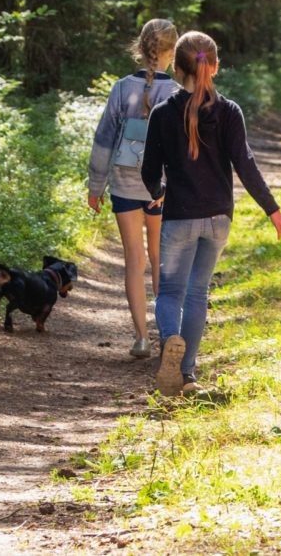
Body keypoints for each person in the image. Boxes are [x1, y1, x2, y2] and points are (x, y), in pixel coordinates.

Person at [141, 30, 281, 396]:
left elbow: (150, 169)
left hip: (179, 214)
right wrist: (273, 212)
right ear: (215, 65)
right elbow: (245, 165)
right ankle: (187, 374)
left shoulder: (163, 114)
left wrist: (158, 192)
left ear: (178, 69)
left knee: (170, 293)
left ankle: (170, 342)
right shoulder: (229, 111)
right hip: (218, 218)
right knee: (198, 293)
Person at [88, 19, 179, 359]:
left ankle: (141, 338)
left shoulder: (122, 87)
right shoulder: (177, 92)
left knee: (133, 259)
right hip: (162, 188)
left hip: (125, 183)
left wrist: (95, 187)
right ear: (172, 51)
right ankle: (168, 336)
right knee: (161, 260)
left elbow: (104, 140)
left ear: (141, 49)